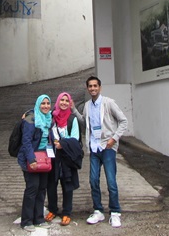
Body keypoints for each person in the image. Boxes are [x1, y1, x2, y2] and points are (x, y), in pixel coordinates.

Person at [82, 76, 128, 228]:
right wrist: (73, 110)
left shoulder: (109, 102)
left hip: (107, 147)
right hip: (94, 147)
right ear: (87, 88)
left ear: (99, 87)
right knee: (93, 180)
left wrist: (114, 139)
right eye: (90, 86)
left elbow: (123, 121)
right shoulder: (87, 105)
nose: (93, 88)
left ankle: (115, 212)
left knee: (111, 181)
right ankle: (98, 210)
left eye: (95, 86)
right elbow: (85, 122)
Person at [44, 92, 83, 226]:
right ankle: (52, 209)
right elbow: (39, 110)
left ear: (70, 103)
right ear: (58, 101)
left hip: (67, 157)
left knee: (67, 185)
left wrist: (62, 144)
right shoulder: (52, 117)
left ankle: (66, 212)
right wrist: (27, 114)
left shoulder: (73, 119)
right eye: (62, 100)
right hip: (54, 157)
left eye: (67, 101)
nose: (64, 103)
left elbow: (75, 139)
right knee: (51, 185)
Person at [17, 94, 53, 232]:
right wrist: (31, 159)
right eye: (42, 103)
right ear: (38, 104)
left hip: (44, 159)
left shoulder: (49, 117)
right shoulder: (31, 118)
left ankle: (38, 218)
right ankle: (26, 221)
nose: (45, 106)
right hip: (31, 158)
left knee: (42, 188)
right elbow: (26, 141)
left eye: (48, 103)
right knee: (32, 188)